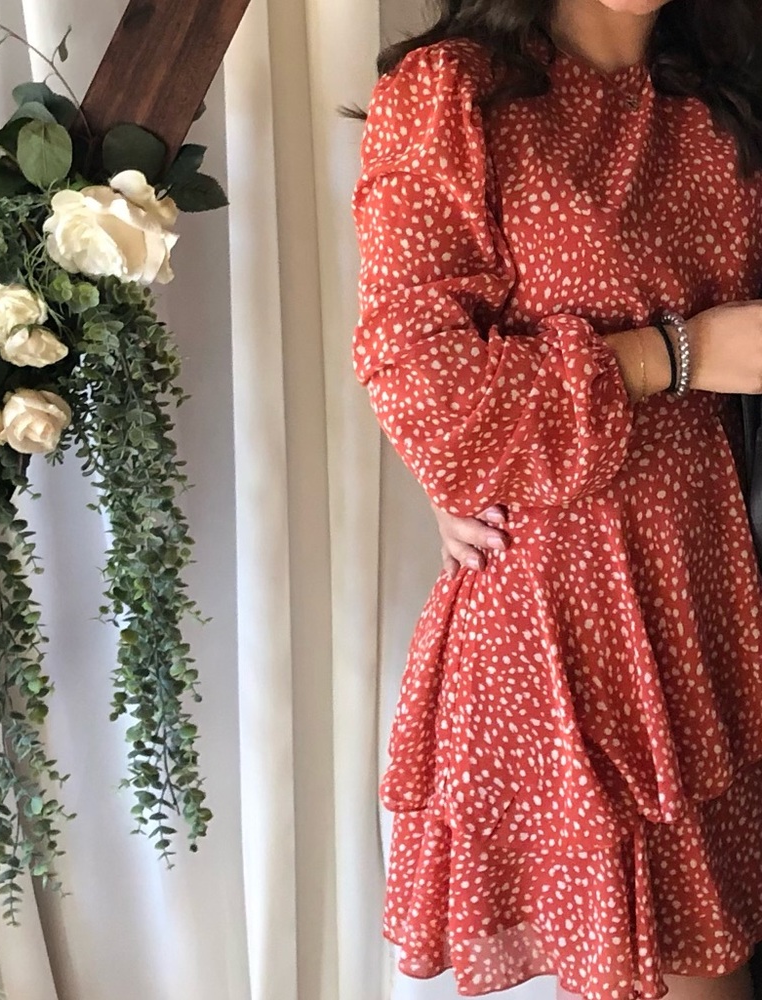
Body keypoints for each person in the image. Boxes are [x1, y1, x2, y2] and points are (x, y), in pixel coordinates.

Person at [348, 1, 762, 998]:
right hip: (564, 612)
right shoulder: (454, 93)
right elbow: (426, 390)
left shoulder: (726, 78)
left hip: (716, 587)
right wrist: (679, 351)